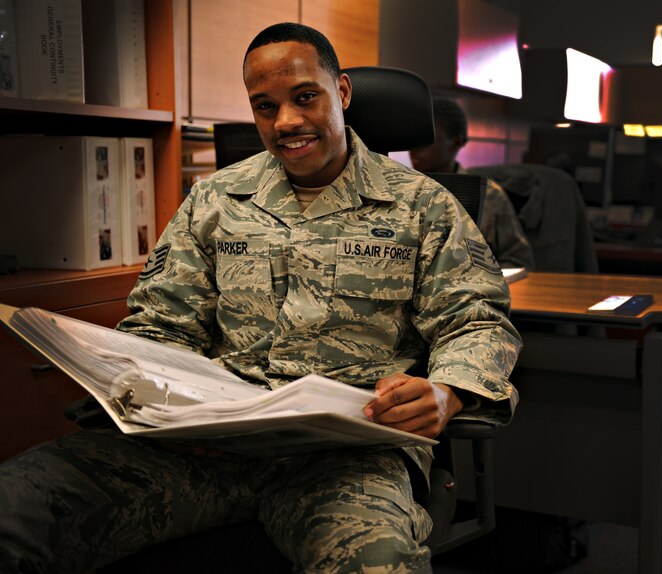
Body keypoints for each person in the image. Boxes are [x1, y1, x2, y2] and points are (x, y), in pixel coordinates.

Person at [0, 23, 521, 573]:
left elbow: (477, 322)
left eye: (305, 98)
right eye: (264, 106)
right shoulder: (216, 198)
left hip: (346, 460)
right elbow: (162, 324)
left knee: (377, 563)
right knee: (15, 507)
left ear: (341, 92)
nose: (286, 122)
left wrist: (448, 391)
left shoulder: (422, 205)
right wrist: (157, 402)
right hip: (204, 452)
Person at [409, 97, 535, 269]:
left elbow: (518, 260)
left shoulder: (489, 195)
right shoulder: (402, 190)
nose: (416, 147)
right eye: (414, 137)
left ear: (456, 142)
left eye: (428, 138)